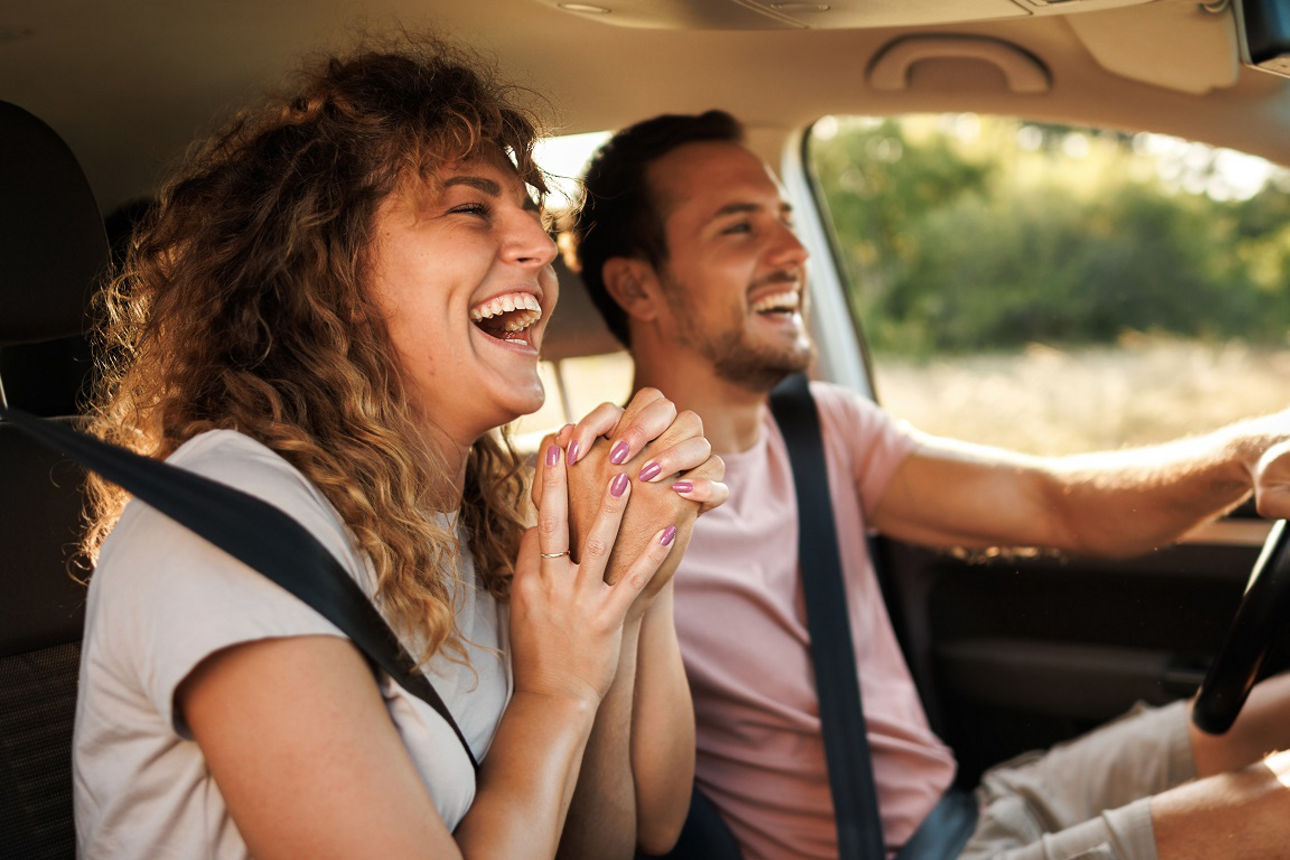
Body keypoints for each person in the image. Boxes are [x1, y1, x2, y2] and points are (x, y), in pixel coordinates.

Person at [565, 108, 1290, 860]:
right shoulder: (609, 506)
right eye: (740, 228)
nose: (794, 251)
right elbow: (640, 820)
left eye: (786, 220)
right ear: (636, 286)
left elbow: (1057, 505)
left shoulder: (825, 430)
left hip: (975, 813)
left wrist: (1247, 453)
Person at [71, 42, 727, 859]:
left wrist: (625, 572)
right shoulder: (231, 524)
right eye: (471, 209)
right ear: (332, 268)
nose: (540, 243)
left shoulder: (469, 522)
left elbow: (624, 839)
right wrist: (554, 695)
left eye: (532, 209)